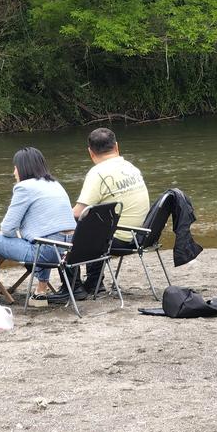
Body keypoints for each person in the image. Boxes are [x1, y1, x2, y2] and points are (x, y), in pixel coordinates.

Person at [50, 127, 150, 302]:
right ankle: (94, 283)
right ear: (117, 147)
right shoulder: (131, 167)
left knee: (63, 231)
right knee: (96, 224)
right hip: (141, 234)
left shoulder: (98, 173)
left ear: (90, 152)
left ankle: (72, 287)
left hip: (117, 238)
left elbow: (78, 212)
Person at [0, 147, 74, 301]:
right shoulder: (55, 184)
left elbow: (7, 228)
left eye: (15, 168)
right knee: (41, 237)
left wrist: (18, 234)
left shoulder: (24, 187)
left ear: (22, 168)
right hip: (69, 250)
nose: (14, 172)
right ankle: (41, 290)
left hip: (47, 252)